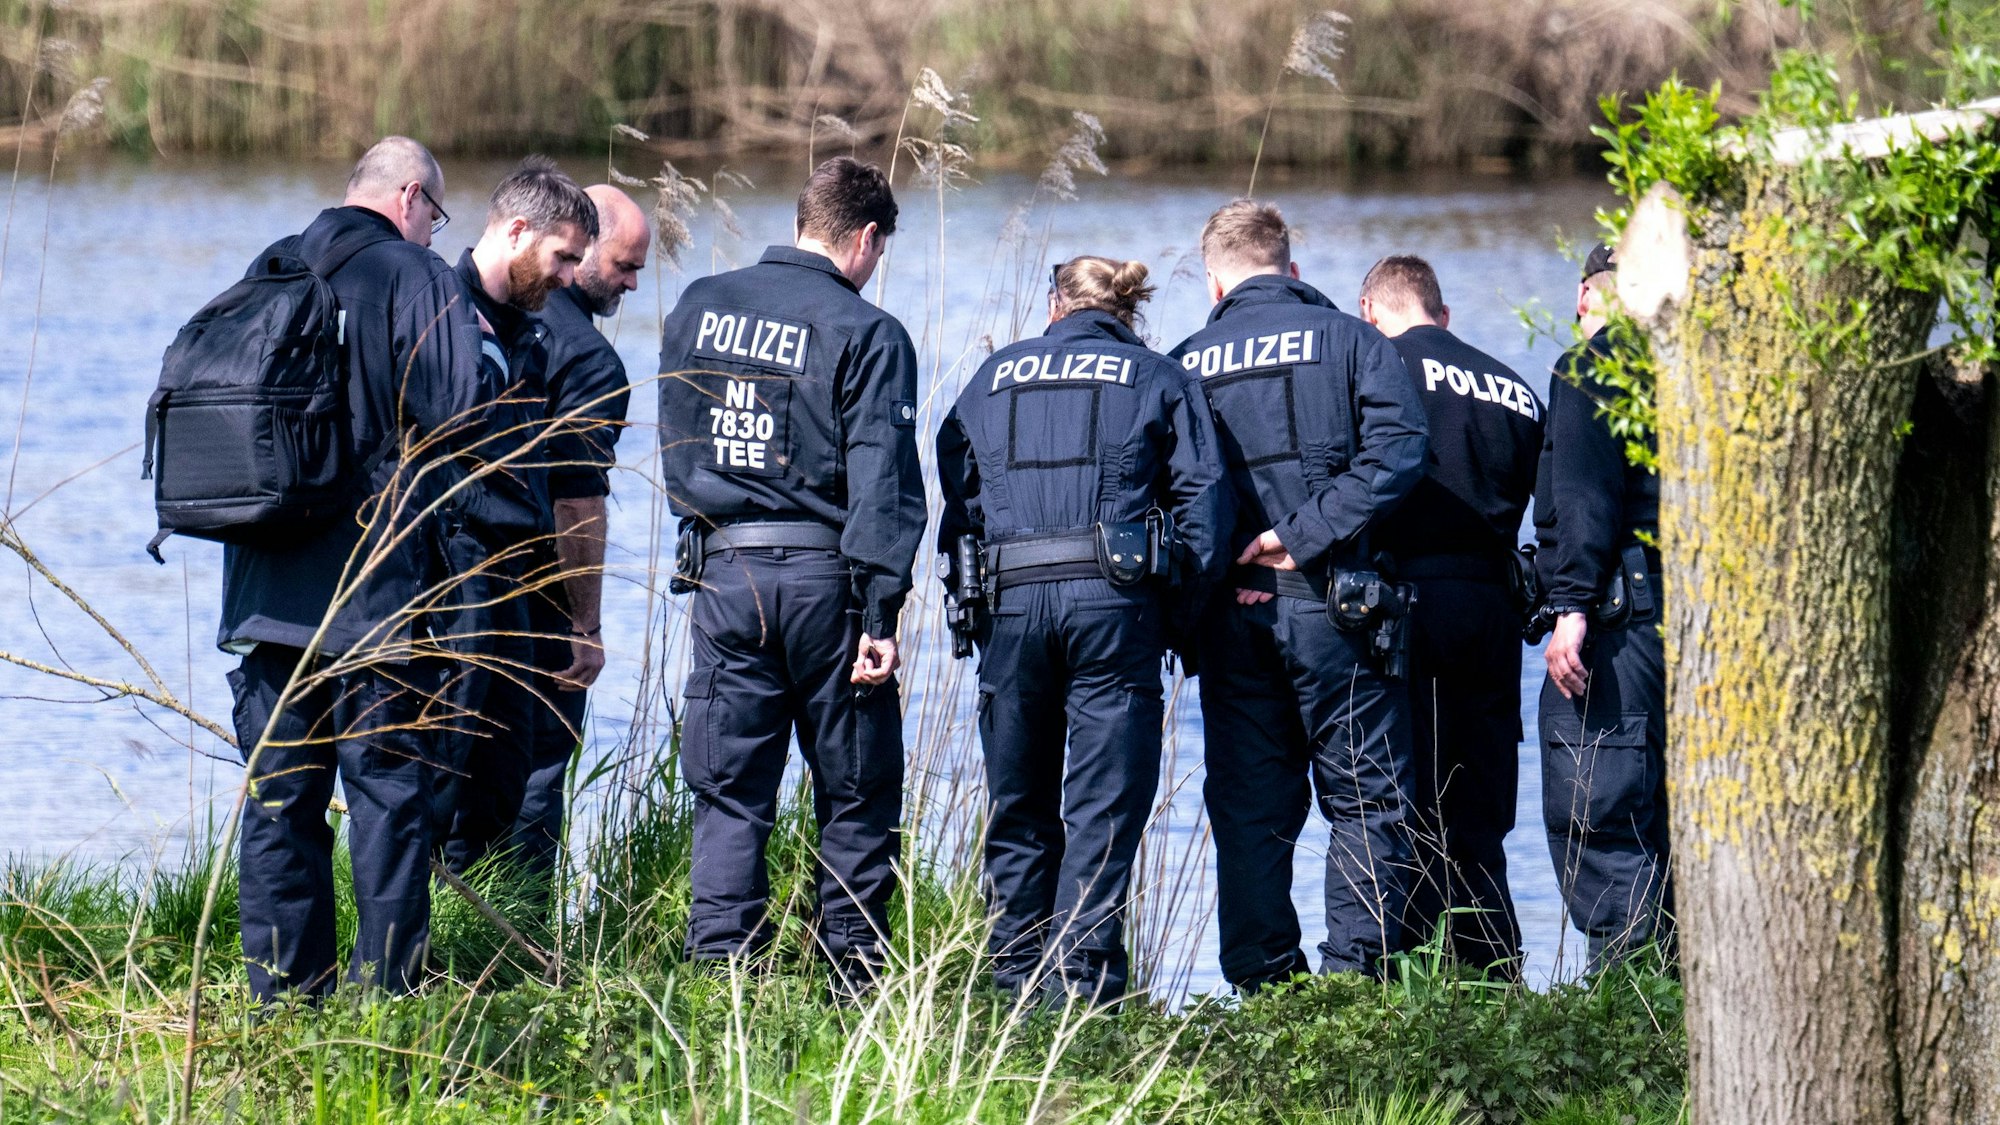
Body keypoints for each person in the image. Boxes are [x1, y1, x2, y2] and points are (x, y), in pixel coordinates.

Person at [221, 136, 492, 1001]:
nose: (433, 232)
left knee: (279, 804)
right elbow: (462, 416)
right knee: (388, 802)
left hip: (264, 593)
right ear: (410, 197)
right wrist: (480, 347)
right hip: (371, 599)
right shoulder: (415, 275)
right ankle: (387, 1004)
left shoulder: (271, 266)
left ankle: (282, 1002)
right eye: (435, 215)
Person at [656, 156, 925, 994]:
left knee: (729, 790)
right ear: (866, 237)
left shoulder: (699, 305)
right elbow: (882, 485)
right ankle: (851, 980)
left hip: (724, 573)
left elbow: (676, 445)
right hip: (825, 582)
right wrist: (880, 615)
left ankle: (719, 982)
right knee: (856, 788)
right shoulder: (868, 332)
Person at [936, 257, 1229, 1004]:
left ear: (1054, 305)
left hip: (1010, 604)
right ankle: (1081, 995)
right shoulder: (1159, 377)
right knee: (1102, 811)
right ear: (1127, 310)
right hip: (1114, 610)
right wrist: (1175, 622)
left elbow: (959, 496)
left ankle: (1012, 988)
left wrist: (979, 598)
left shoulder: (991, 376)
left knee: (1018, 805)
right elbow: (1206, 512)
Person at [1168, 200, 1429, 991]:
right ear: (1293, 267)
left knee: (1249, 807)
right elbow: (1401, 449)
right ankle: (1355, 984)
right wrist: (1303, 533)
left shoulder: (1184, 362)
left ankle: (1265, 990)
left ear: (1215, 283)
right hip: (1336, 606)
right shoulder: (1351, 341)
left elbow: (1169, 493)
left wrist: (1229, 566)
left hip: (1233, 616)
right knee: (1366, 801)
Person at [1359, 254, 1542, 979]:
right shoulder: (1513, 387)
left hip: (1409, 604)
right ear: (1444, 313)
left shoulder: (1378, 371)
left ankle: (1415, 976)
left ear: (1370, 312)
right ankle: (1495, 972)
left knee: (1407, 802)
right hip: (1494, 609)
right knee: (1480, 807)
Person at [432, 158, 596, 878]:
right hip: (450, 577)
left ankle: (481, 928)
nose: (570, 278)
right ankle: (416, 925)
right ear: (518, 231)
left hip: (517, 586)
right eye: (563, 258)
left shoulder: (533, 336)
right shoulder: (438, 310)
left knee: (506, 779)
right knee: (442, 772)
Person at [497, 183, 650, 880]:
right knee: (537, 767)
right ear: (583, 249)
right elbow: (578, 502)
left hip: (455, 586)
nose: (632, 284)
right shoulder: (589, 359)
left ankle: (443, 920)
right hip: (539, 601)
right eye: (624, 265)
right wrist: (584, 626)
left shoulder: (484, 312)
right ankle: (521, 922)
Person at [1534, 243, 1672, 971]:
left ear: (1588, 295)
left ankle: (1628, 999)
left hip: (1624, 617)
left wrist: (1571, 607)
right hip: (1699, 611)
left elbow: (1585, 494)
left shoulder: (1595, 364)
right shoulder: (1702, 361)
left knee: (1602, 802)